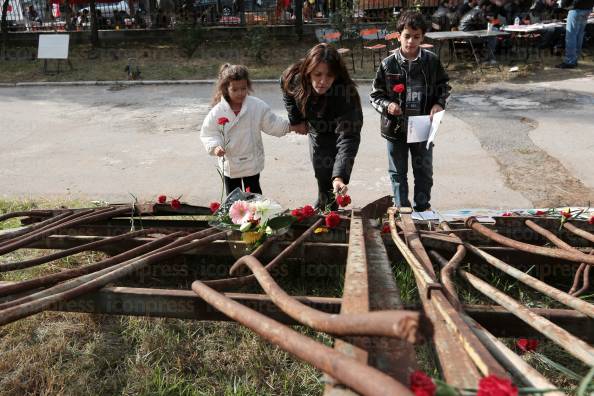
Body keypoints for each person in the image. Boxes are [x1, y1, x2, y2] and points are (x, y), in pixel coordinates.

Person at [370, 10, 451, 211]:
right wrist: (388, 106)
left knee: (424, 171)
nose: (411, 41)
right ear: (399, 36)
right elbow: (375, 95)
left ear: (423, 37)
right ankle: (402, 211)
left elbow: (444, 87)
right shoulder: (388, 64)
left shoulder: (431, 62)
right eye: (407, 36)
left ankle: (423, 209)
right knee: (397, 172)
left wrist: (438, 104)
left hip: (423, 126)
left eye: (416, 37)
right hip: (395, 128)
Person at [281, 43, 363, 210]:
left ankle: (328, 212)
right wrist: (296, 120)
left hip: (338, 131)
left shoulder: (346, 94)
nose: (323, 81)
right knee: (322, 173)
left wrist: (340, 176)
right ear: (308, 71)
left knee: (333, 177)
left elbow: (349, 137)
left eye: (329, 76)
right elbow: (285, 87)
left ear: (337, 75)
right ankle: (323, 205)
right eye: (317, 74)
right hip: (317, 130)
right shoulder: (295, 78)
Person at [201, 64, 304, 195]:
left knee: (255, 198)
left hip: (252, 162)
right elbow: (209, 133)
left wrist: (292, 127)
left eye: (243, 89)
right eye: (235, 90)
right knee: (233, 198)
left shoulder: (256, 106)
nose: (240, 93)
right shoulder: (217, 112)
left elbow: (272, 123)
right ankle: (234, 215)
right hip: (230, 164)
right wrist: (215, 147)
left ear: (248, 86)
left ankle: (257, 215)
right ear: (225, 89)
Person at [556, 0, 593, 68]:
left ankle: (570, 61)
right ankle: (574, 59)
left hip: (576, 8)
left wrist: (563, 4)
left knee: (571, 36)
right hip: (587, 8)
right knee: (579, 35)